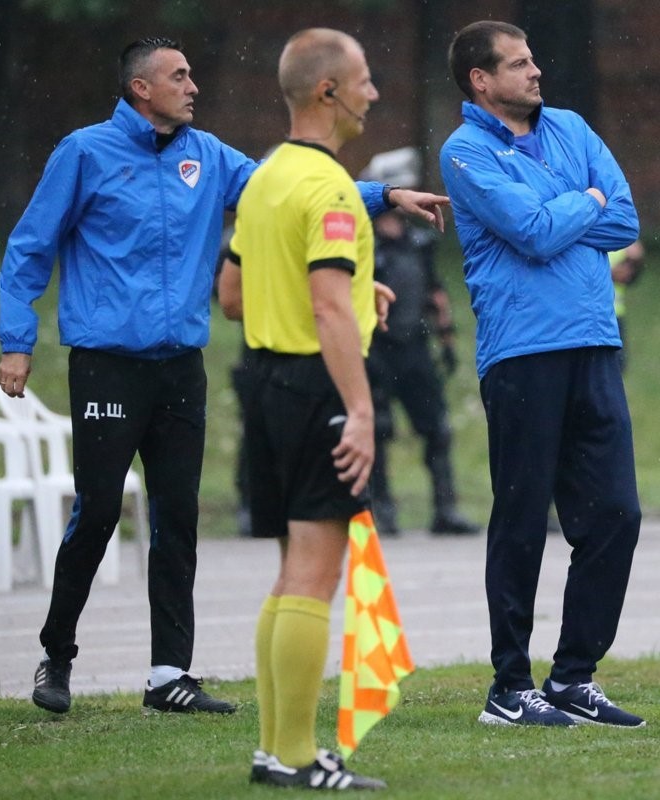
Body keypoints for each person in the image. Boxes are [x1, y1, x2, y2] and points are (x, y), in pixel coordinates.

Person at [0, 36, 447, 718]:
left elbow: (289, 192)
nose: (193, 86)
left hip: (181, 367)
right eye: (178, 76)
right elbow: (29, 248)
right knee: (98, 511)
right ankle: (56, 653)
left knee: (178, 517)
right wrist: (16, 341)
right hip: (107, 367)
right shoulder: (84, 153)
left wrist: (384, 195)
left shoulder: (206, 157)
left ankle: (169, 674)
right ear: (141, 89)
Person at [440, 21, 645, 727]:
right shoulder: (464, 151)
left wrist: (577, 212)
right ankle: (508, 687)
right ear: (481, 79)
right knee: (523, 519)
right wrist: (584, 200)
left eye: (533, 58)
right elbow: (530, 232)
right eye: (518, 63)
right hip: (521, 353)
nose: (535, 72)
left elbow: (625, 219)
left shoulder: (572, 127)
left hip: (593, 340)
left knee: (618, 513)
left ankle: (572, 679)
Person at [219, 27, 403, 790]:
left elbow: (231, 296)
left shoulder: (266, 176)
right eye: (363, 78)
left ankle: (275, 750)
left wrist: (362, 291)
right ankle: (294, 757)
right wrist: (358, 411)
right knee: (316, 575)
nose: (375, 91)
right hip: (314, 389)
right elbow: (329, 311)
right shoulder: (328, 187)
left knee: (291, 573)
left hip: (263, 381)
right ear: (328, 91)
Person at [359, 148, 481, 537]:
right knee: (377, 429)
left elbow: (435, 292)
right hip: (376, 348)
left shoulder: (419, 242)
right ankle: (383, 510)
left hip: (415, 347)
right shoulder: (364, 241)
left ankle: (445, 508)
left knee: (437, 428)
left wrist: (446, 338)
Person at [608, 239, 646, 373]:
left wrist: (636, 261)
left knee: (618, 363)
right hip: (592, 314)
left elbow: (630, 276)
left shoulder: (622, 238)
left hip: (615, 313)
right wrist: (608, 273)